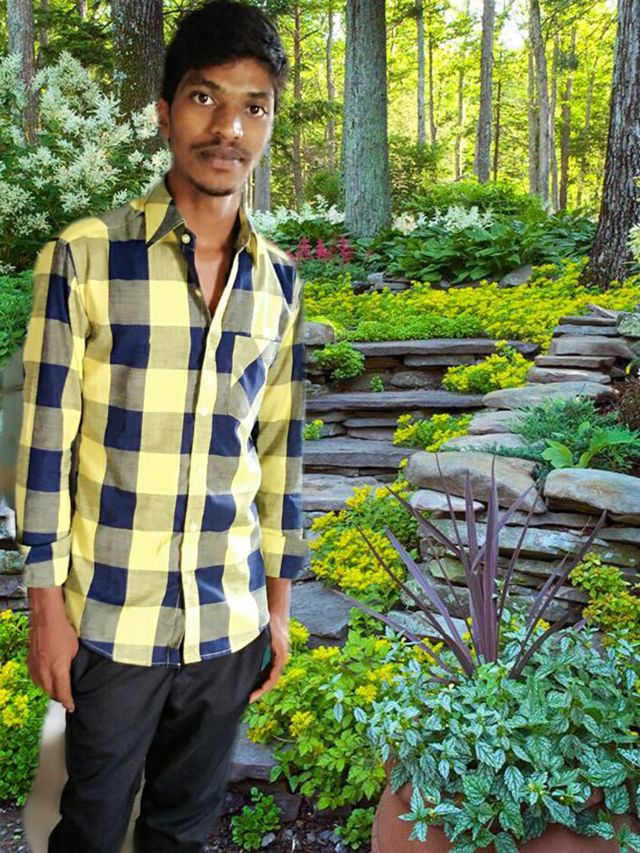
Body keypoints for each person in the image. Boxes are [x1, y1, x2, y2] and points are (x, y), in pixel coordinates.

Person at [14, 2, 307, 851]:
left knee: (183, 829)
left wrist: (277, 607)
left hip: (228, 621)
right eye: (205, 98)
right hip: (112, 620)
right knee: (91, 824)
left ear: (270, 124)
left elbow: (280, 453)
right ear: (164, 112)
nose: (229, 128)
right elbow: (43, 448)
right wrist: (46, 610)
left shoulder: (279, 282)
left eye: (254, 107)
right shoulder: (85, 256)